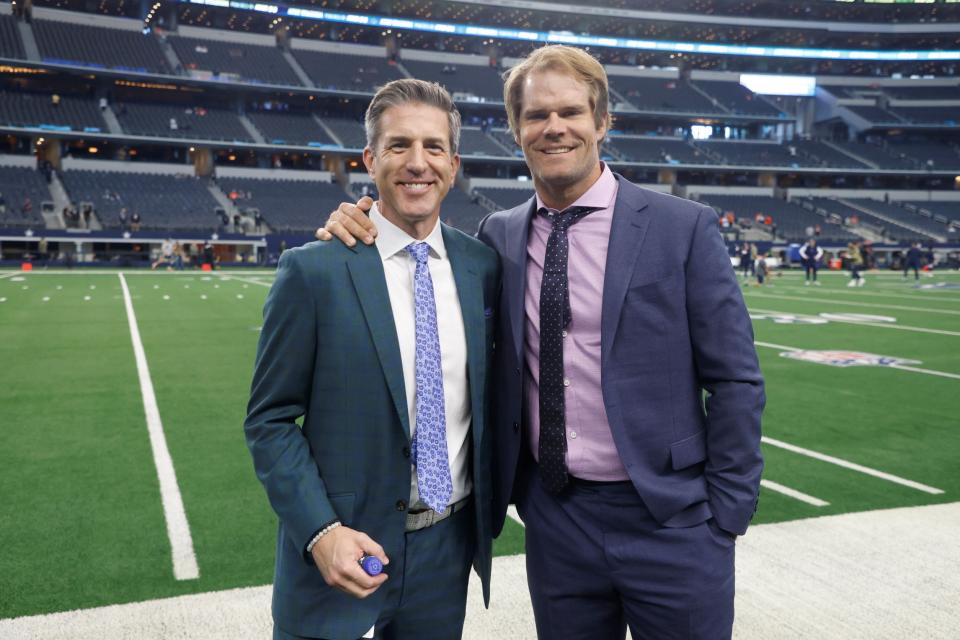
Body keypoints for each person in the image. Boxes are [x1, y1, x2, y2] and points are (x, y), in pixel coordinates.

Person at [319, 45, 764, 640]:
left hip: (672, 519)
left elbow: (735, 378)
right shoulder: (496, 237)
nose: (554, 127)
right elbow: (413, 236)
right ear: (516, 129)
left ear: (602, 122)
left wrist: (724, 514)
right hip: (556, 520)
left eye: (571, 112)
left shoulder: (682, 228)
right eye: (536, 115)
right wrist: (357, 218)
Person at [245, 79, 499, 640]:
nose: (417, 163)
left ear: (453, 165)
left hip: (445, 549)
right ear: (369, 158)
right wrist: (320, 532)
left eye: (434, 147)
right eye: (398, 145)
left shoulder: (483, 267)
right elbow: (268, 421)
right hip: (338, 551)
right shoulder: (313, 271)